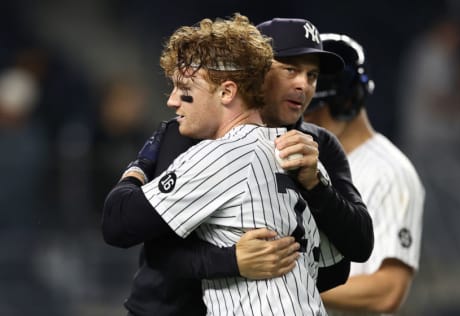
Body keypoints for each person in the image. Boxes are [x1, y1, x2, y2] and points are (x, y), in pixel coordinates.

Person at [103, 16, 374, 315]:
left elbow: (348, 253)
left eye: (312, 75)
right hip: (169, 308)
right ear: (256, 69)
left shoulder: (312, 149)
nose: (303, 84)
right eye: (290, 69)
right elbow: (154, 245)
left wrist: (318, 190)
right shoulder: (187, 132)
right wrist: (231, 261)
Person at [303, 33, 425, 315]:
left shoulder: (390, 171)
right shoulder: (304, 158)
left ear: (345, 102)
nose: (301, 116)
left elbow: (388, 289)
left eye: (313, 107)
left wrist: (294, 284)